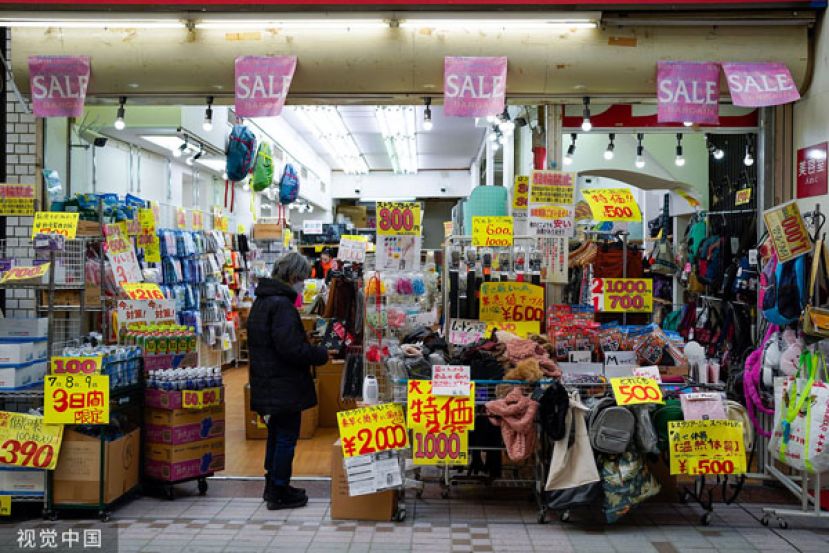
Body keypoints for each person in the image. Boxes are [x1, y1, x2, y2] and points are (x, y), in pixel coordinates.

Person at [248, 252, 329, 510]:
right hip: (283, 383)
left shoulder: (262, 301)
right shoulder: (282, 305)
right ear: (293, 276)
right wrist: (320, 354)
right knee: (285, 437)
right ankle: (279, 490)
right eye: (302, 279)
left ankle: (272, 485)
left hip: (267, 380)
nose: (303, 284)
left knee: (276, 434)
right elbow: (291, 349)